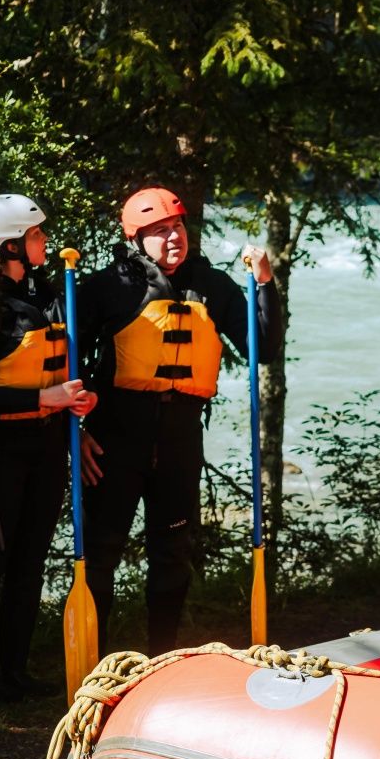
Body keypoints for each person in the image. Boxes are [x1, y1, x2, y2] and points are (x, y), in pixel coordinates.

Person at [75, 186, 277, 653]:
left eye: (178, 226)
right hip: (113, 441)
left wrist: (265, 283)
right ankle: (94, 659)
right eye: (160, 230)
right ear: (136, 238)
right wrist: (77, 432)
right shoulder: (108, 287)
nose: (173, 237)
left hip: (180, 441)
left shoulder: (213, 287)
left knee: (172, 556)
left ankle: (162, 654)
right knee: (101, 555)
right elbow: (67, 363)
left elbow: (262, 348)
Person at [0, 193, 96, 698]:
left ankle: (14, 671)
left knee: (30, 563)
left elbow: (64, 366)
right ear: (8, 245)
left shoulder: (47, 295)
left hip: (45, 446)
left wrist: (80, 396)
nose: (45, 240)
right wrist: (44, 397)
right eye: (35, 234)